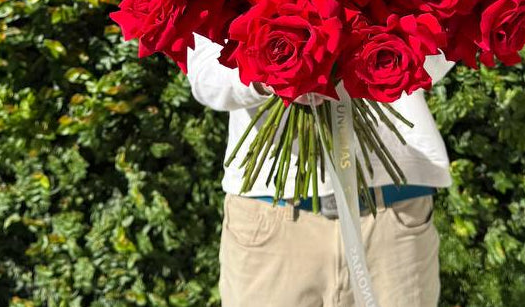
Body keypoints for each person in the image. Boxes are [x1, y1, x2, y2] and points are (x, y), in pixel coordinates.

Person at [187, 32, 455, 307]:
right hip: (273, 218)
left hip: (392, 211)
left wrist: (380, 56)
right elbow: (205, 74)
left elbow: (442, 54)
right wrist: (267, 73)